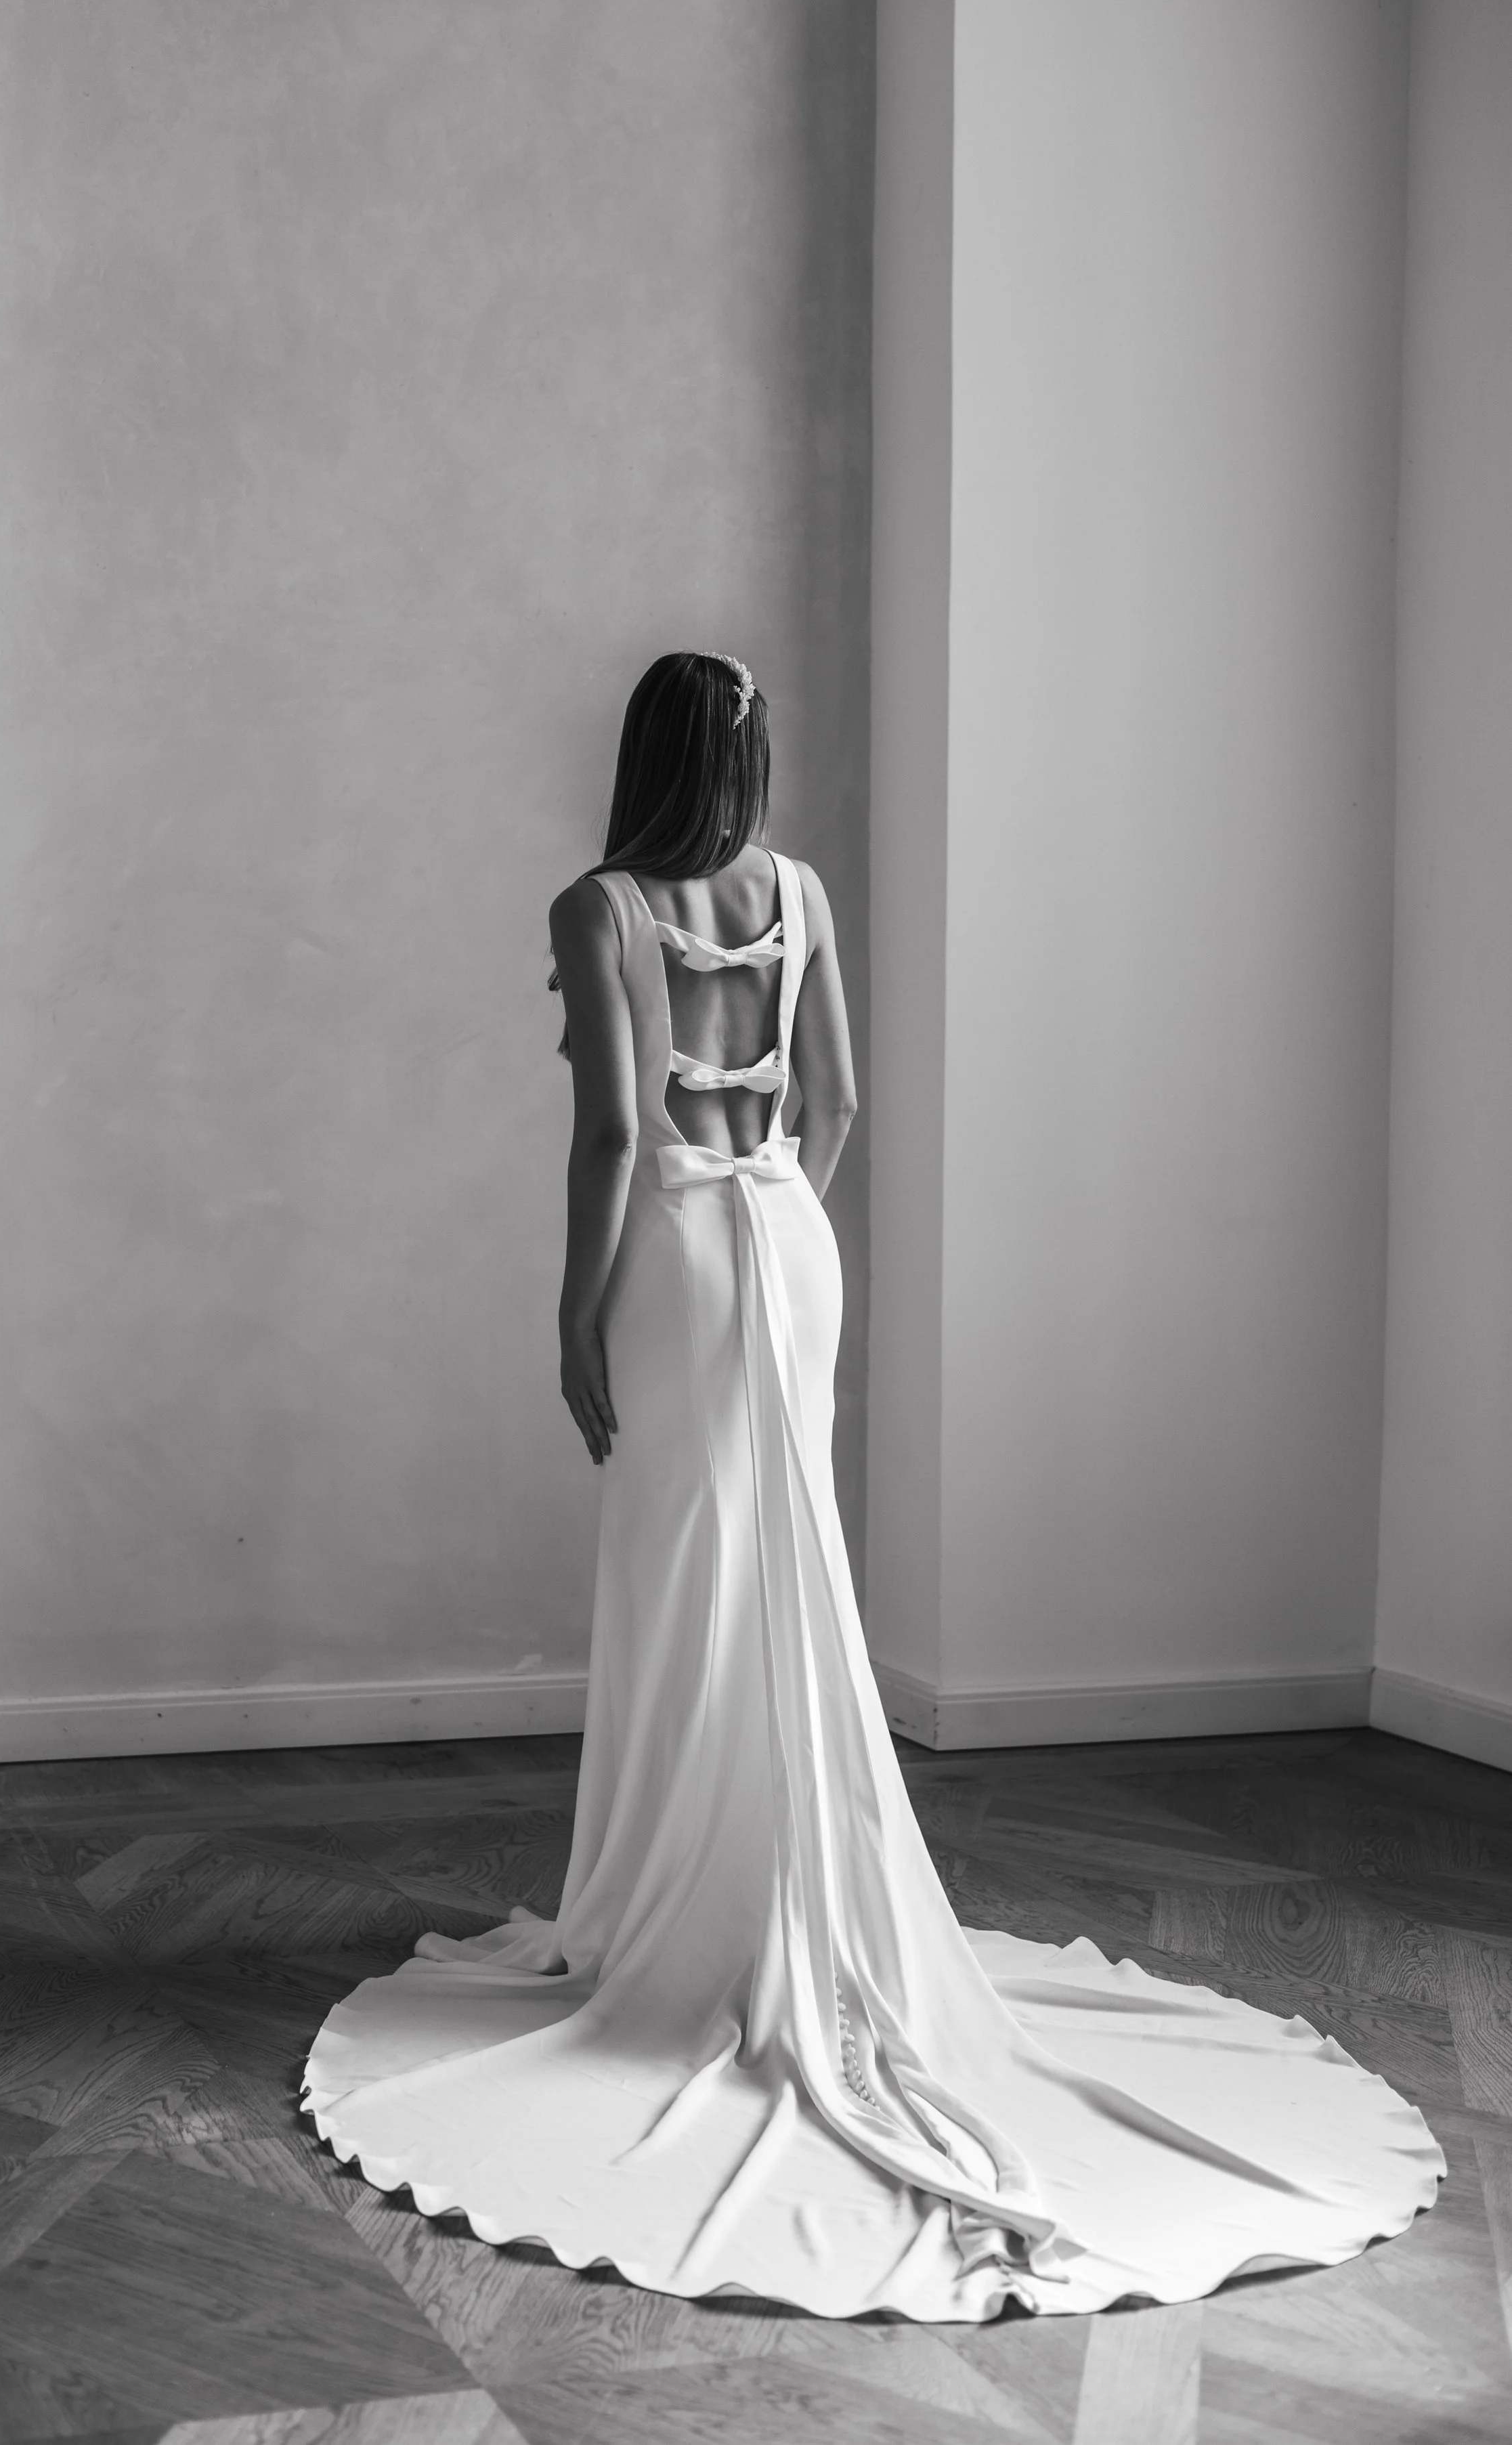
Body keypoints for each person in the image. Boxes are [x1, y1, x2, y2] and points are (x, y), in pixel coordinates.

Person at [304, 651, 1441, 2318]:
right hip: (783, 1234)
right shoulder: (802, 889)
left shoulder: (598, 904)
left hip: (675, 1254)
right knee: (788, 1558)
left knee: (685, 1567)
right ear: (750, 755)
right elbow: (832, 1097)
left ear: (642, 754)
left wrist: (575, 1310)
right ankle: (781, 1891)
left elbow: (616, 1136)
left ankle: (674, 1912)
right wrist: (772, 1205)